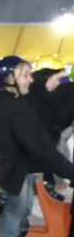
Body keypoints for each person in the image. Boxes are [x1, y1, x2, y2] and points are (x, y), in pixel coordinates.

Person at [0, 56, 74, 237]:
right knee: (16, 205)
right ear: (10, 78)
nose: (30, 79)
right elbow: (41, 146)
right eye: (25, 75)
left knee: (20, 203)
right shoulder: (12, 105)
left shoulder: (6, 101)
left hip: (3, 164)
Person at [24, 55, 74, 201]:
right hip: (20, 164)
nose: (59, 83)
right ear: (46, 76)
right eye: (57, 79)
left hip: (33, 162)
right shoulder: (30, 99)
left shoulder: (48, 97)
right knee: (19, 206)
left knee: (24, 205)